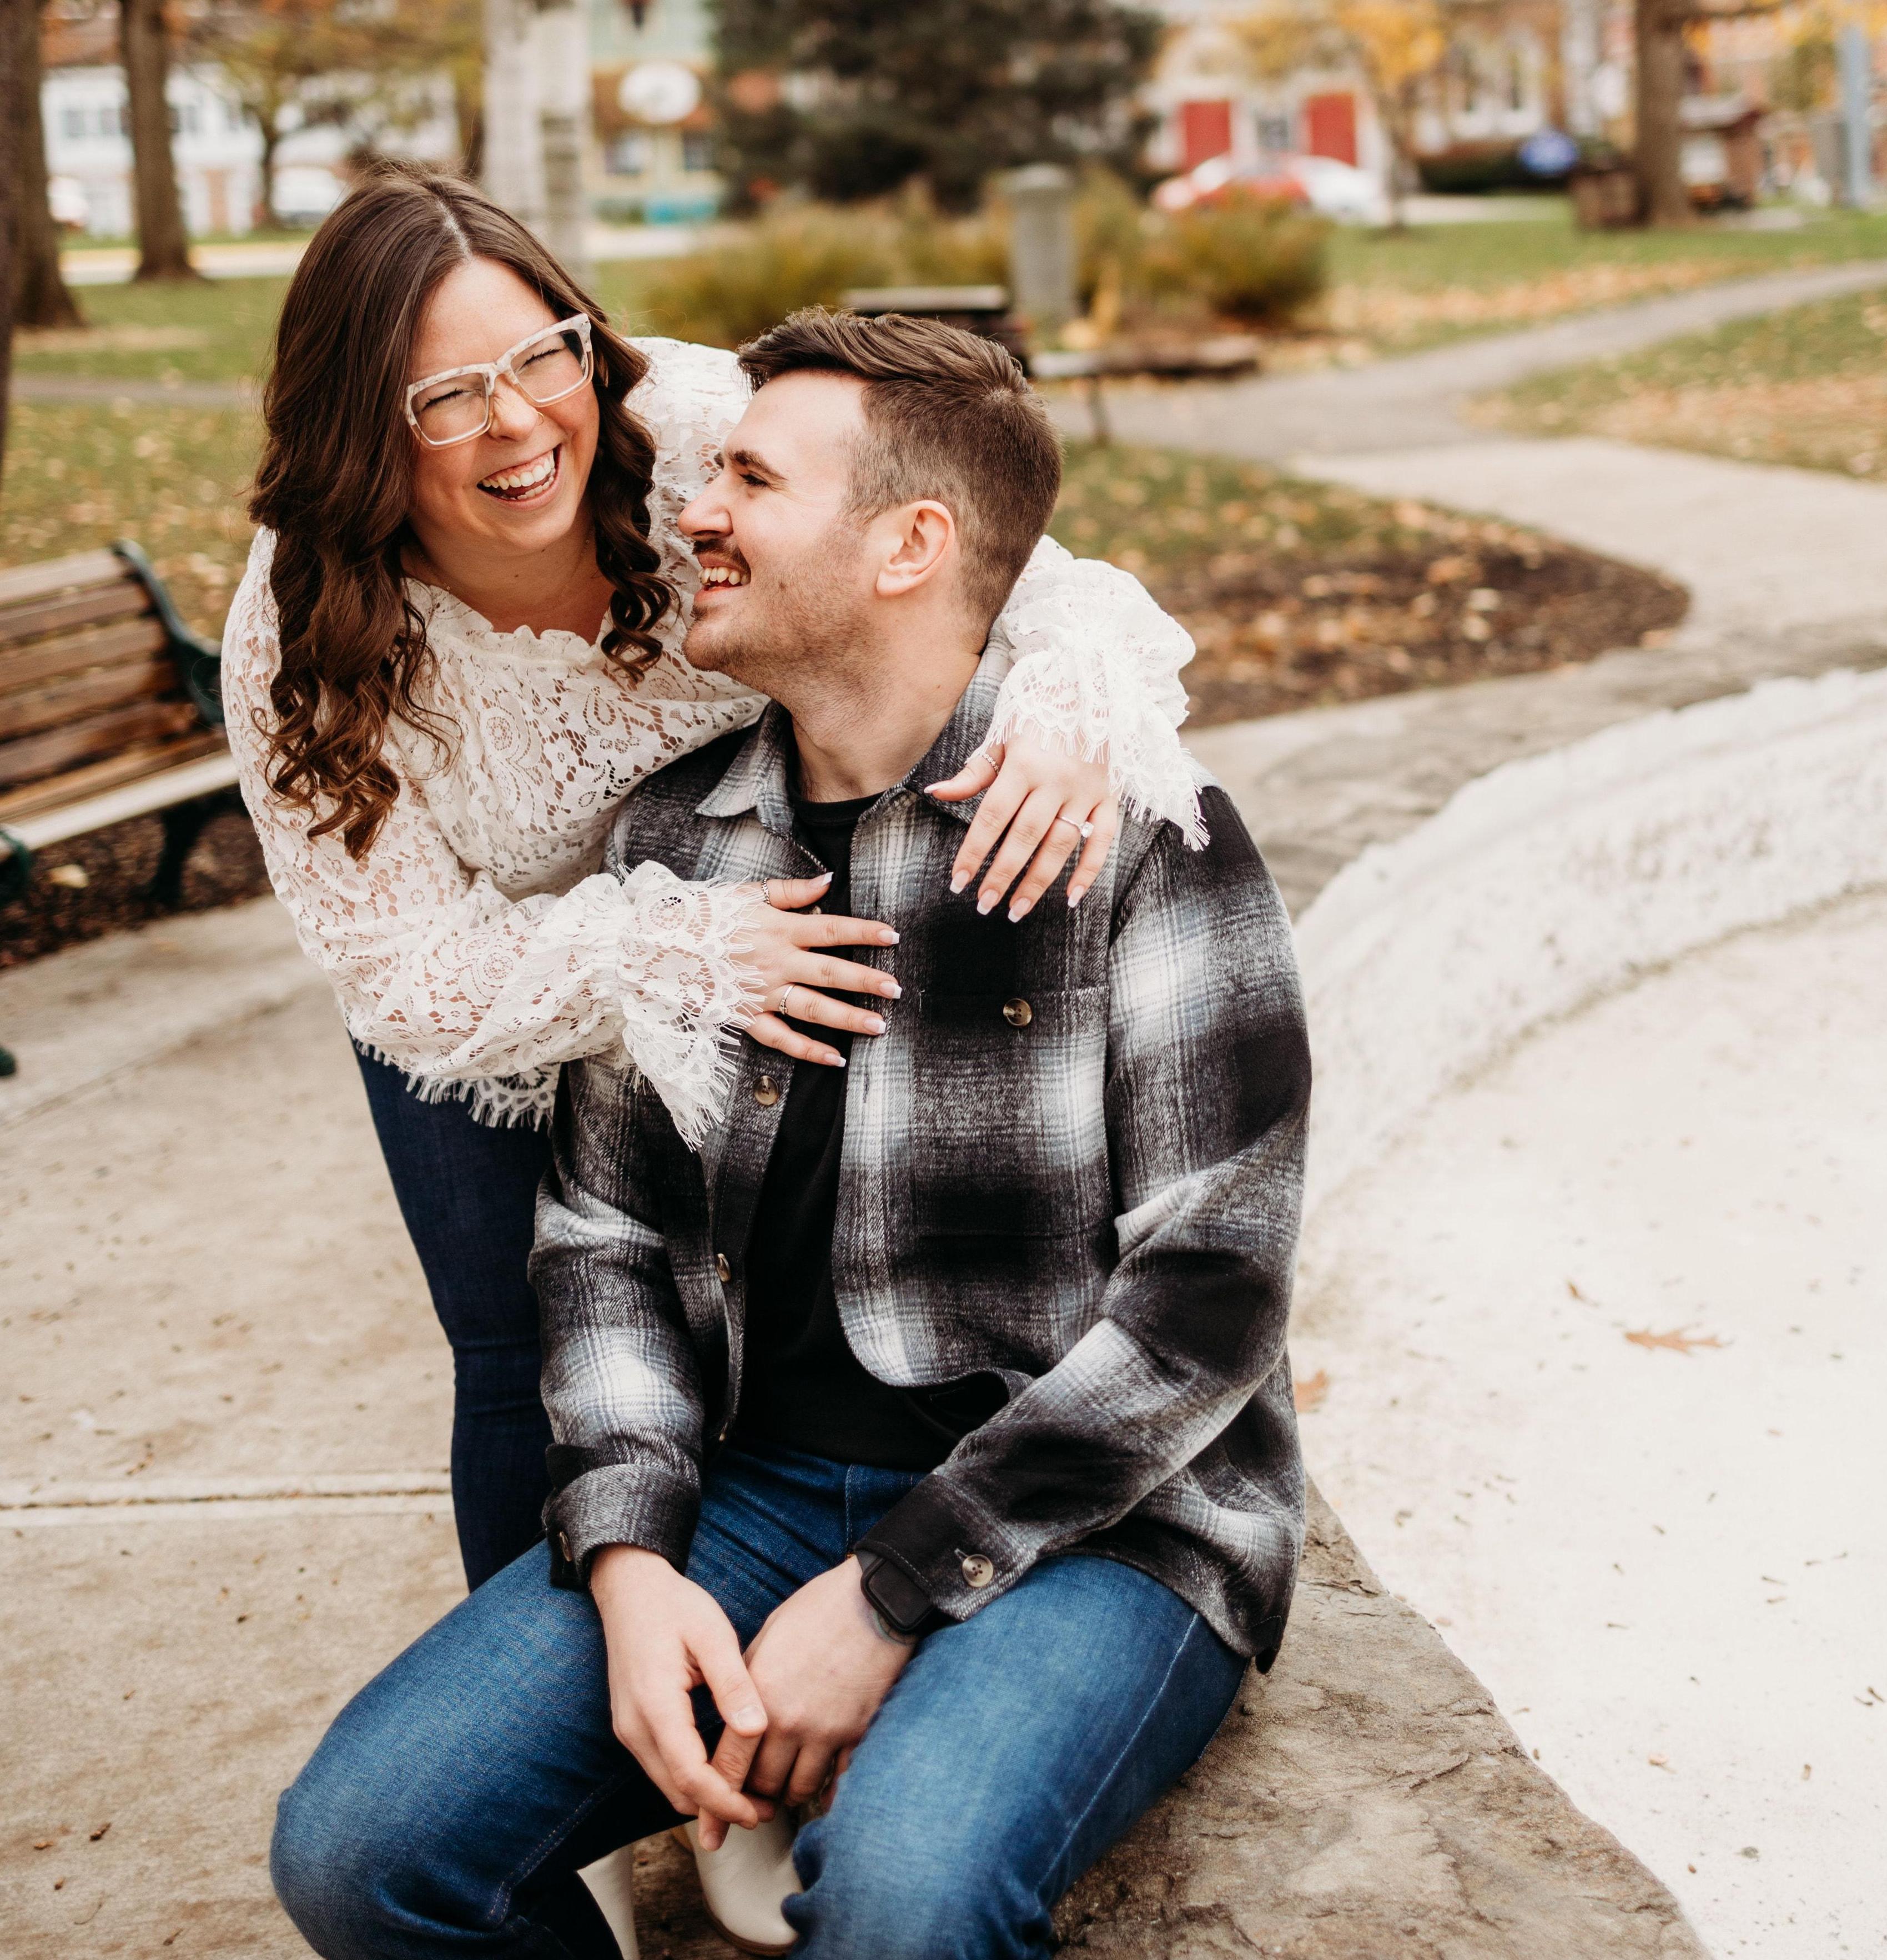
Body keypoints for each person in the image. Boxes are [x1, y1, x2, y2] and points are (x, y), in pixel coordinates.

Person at [269, 310, 1309, 1960]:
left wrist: (895, 1588)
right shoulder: (675, 846)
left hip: (1096, 1527)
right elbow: (600, 1245)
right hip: (749, 1490)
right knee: (359, 1847)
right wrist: (626, 1557)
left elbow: (1208, 1301)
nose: (694, 508)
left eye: (751, 478)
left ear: (909, 545)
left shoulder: (1141, 839)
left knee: (898, 1903)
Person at [221, 164, 1206, 1601]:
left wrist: (1065, 695)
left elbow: (1012, 561)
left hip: (762, 885)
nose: (516, 421)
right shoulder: (300, 626)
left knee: (746, 1325)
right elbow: (401, 965)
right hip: (503, 991)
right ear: (358, 429)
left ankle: (807, 1607)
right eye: (444, 397)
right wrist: (668, 954)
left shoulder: (689, 428)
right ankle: (575, 1717)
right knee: (520, 1350)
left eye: (540, 354)